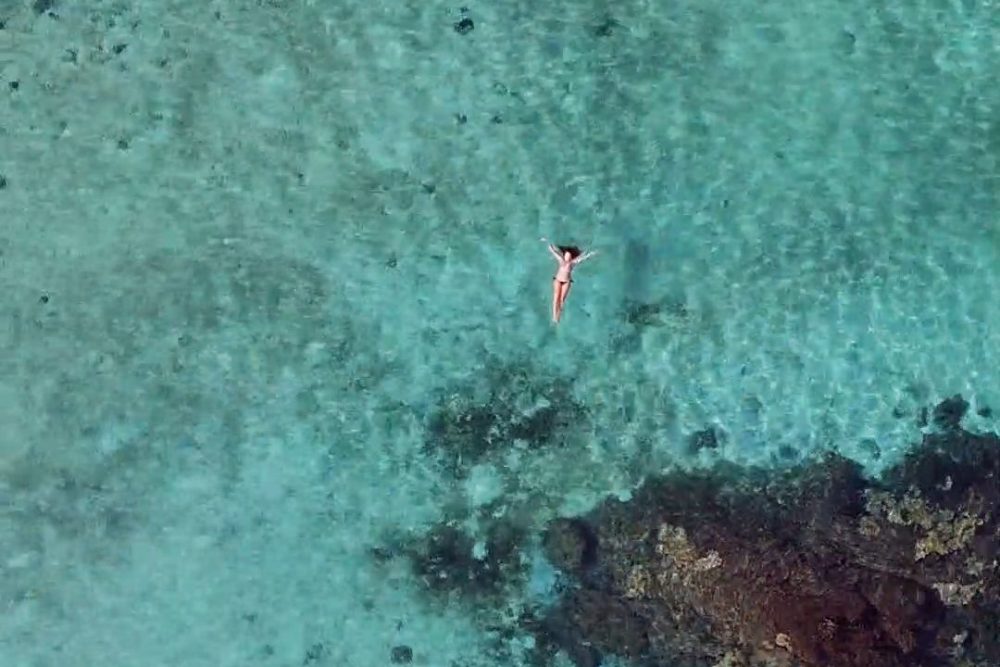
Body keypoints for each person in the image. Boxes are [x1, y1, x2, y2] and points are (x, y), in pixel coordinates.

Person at [542, 237, 597, 323]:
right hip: (557, 280)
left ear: (571, 257)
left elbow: (582, 258)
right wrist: (547, 241)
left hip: (567, 282)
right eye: (566, 255)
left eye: (569, 256)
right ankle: (554, 316)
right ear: (564, 256)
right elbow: (553, 251)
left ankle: (558, 316)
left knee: (561, 300)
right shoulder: (561, 260)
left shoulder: (572, 263)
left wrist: (591, 253)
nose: (568, 257)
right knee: (556, 297)